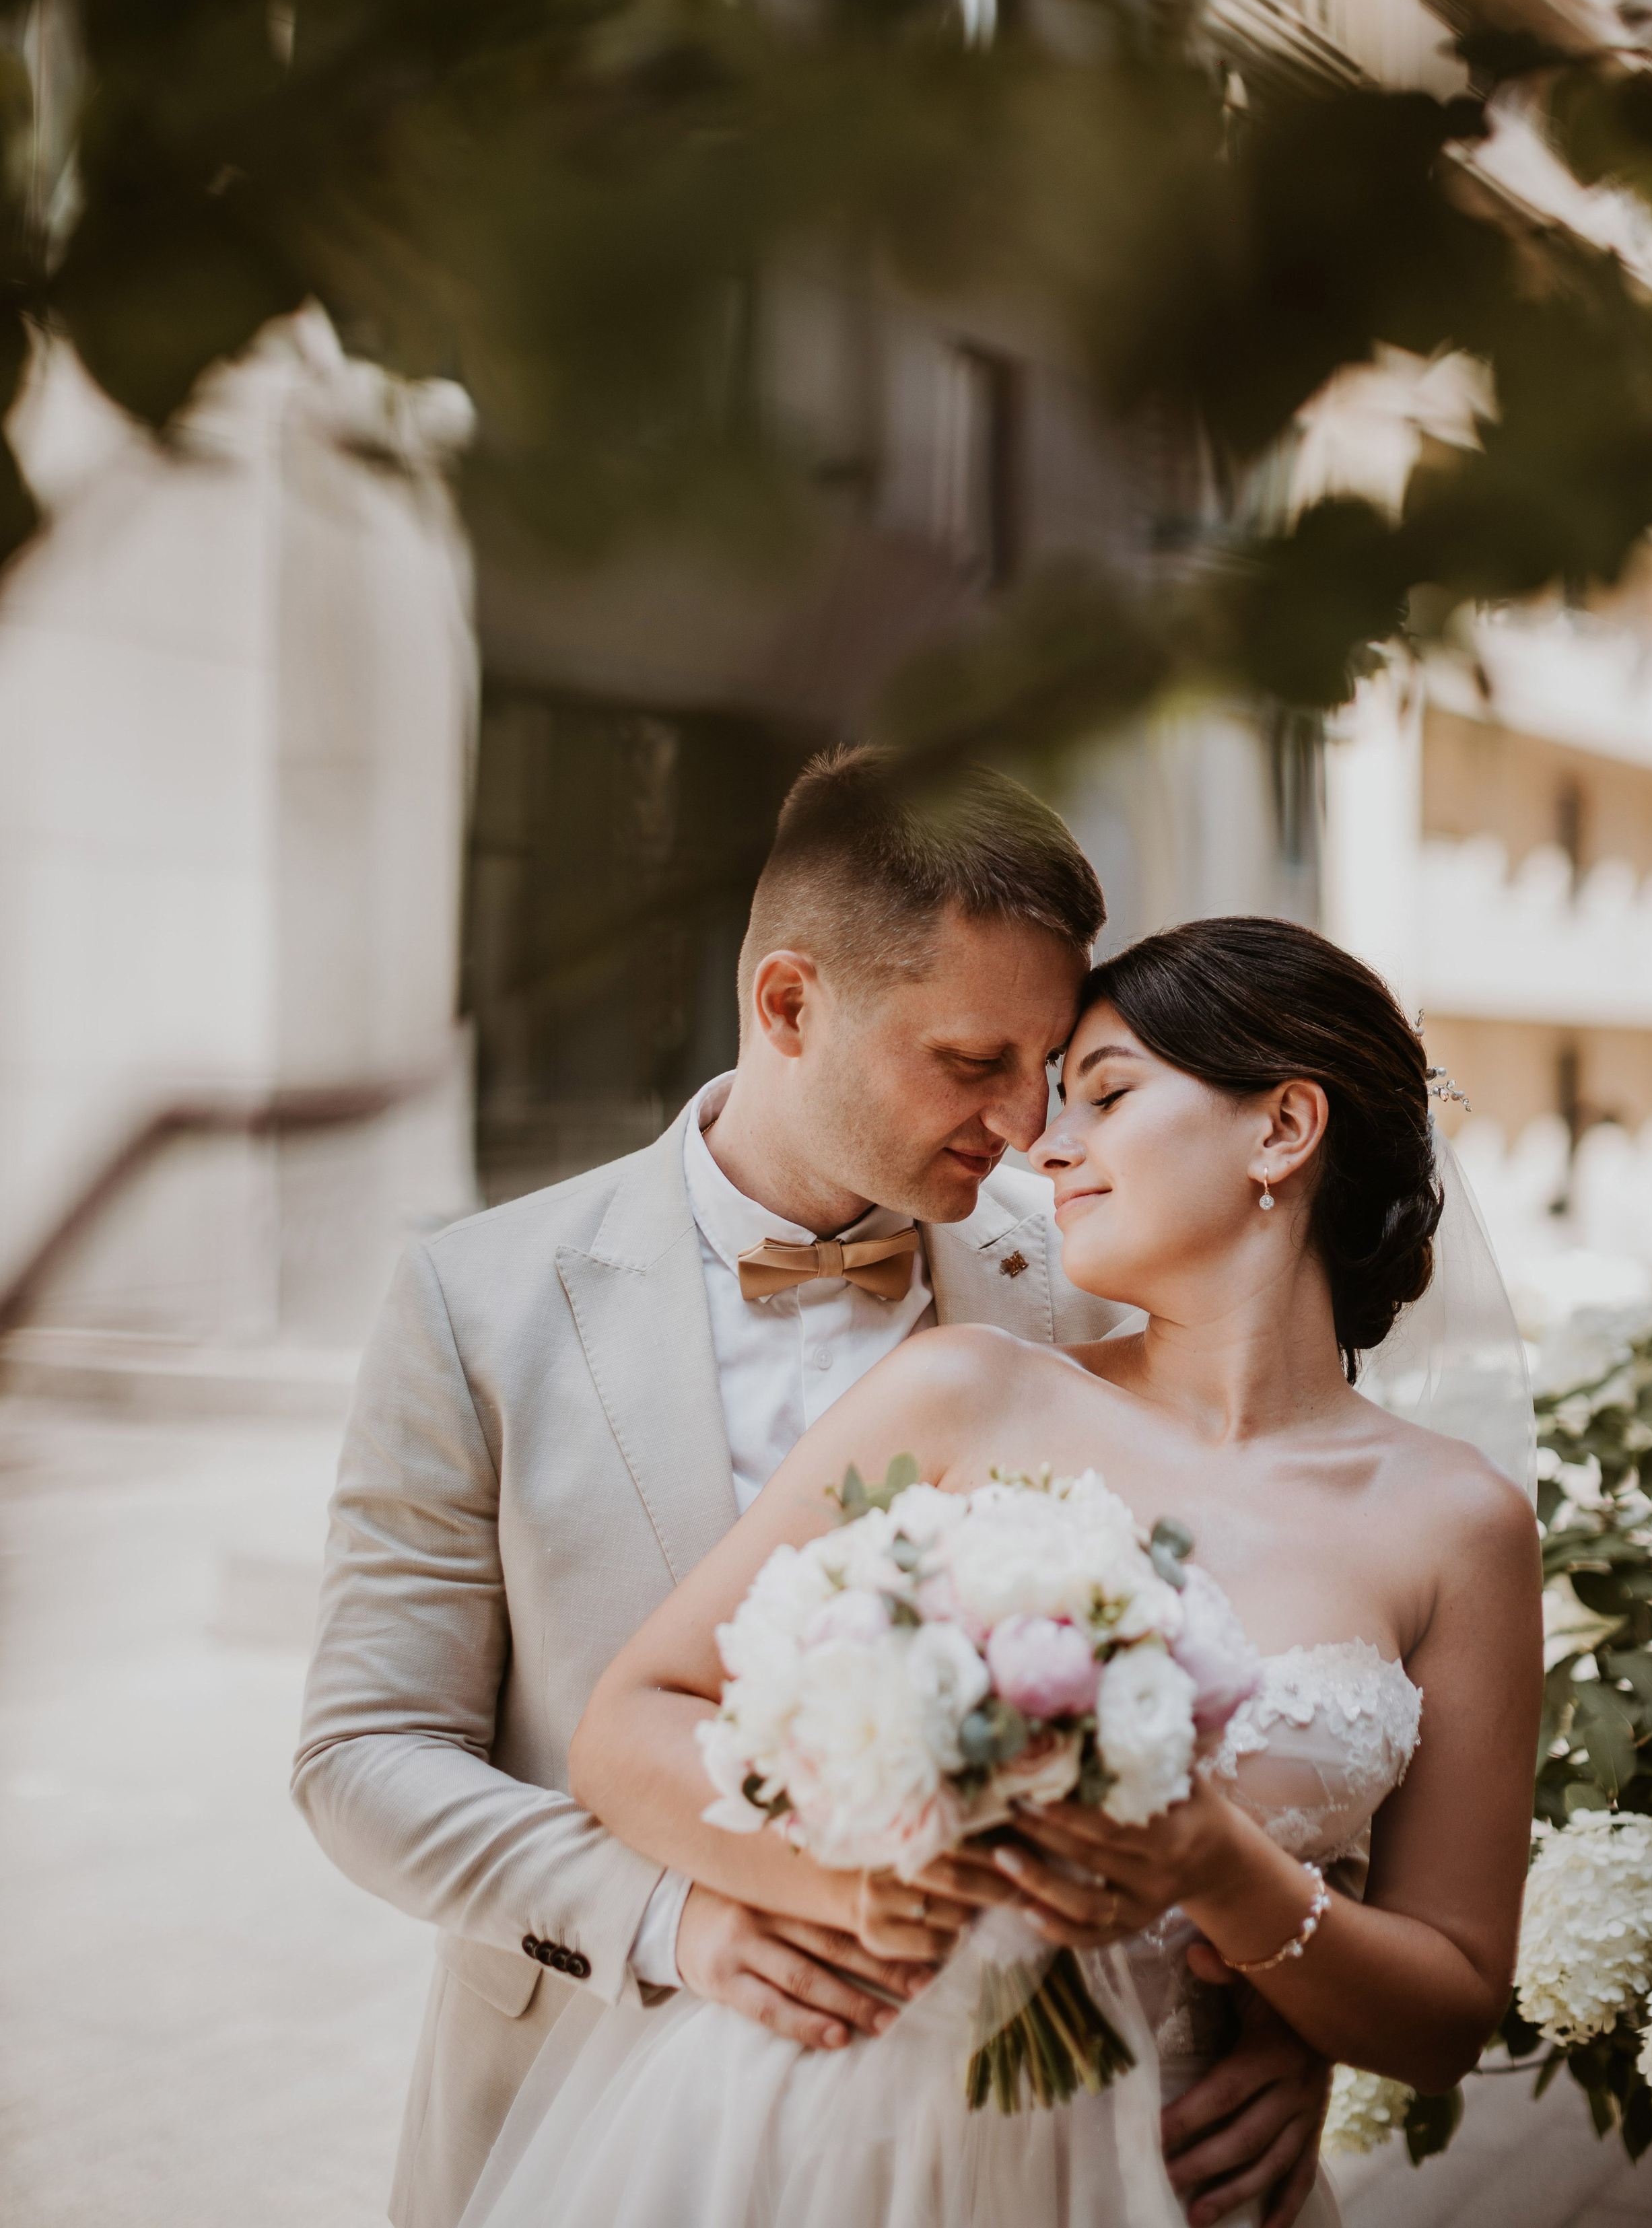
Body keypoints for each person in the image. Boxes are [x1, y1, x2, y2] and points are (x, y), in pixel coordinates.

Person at [292, 757, 1331, 2228]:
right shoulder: (475, 1304)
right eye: (973, 1061)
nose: (1029, 1124)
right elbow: (364, 1753)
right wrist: (673, 1917)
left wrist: (1288, 2020)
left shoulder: (1079, 1280)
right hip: (587, 2104)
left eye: (1049, 1064)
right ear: (788, 1005)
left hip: (1023, 2136)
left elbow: (1275, 1638)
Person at [455, 914, 1544, 2228]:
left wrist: (1224, 1873)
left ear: (1280, 1129)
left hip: (1168, 2175)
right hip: (827, 2137)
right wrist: (864, 1886)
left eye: (1105, 1094)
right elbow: (629, 1725)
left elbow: (1441, 2016)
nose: (1044, 1142)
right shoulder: (962, 1392)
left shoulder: (1459, 1526)